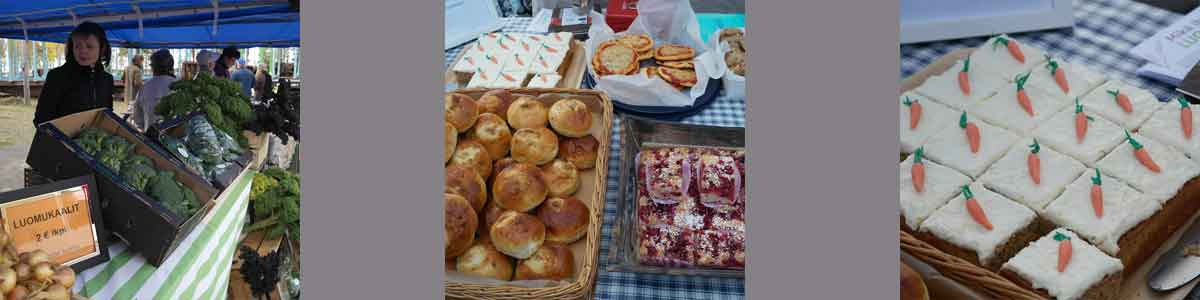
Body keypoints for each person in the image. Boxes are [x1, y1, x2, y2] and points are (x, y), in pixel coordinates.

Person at [34, 21, 114, 126]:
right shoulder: (57, 76)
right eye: (77, 46)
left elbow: (107, 115)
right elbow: (41, 120)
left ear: (102, 49)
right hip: (59, 140)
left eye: (89, 46)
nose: (82, 51)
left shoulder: (107, 79)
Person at [125, 49, 177, 131]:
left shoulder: (145, 87)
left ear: (153, 67)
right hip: (176, 139)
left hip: (150, 138)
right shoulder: (179, 86)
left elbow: (137, 117)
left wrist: (146, 127)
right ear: (171, 66)